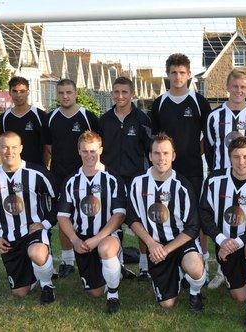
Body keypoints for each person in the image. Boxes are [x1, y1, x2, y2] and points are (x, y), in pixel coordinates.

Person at [150, 53, 213, 282]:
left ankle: (201, 260)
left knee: (196, 216)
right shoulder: (160, 103)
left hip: (193, 169)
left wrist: (197, 152)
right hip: (165, 172)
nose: (178, 77)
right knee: (168, 214)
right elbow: (156, 138)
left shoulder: (199, 101)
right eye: (173, 72)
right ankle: (173, 259)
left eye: (182, 73)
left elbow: (209, 134)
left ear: (189, 75)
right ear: (167, 75)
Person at [126, 133, 206, 311]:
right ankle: (177, 275)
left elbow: (193, 227)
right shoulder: (137, 183)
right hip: (155, 245)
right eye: (157, 153)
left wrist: (168, 249)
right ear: (150, 156)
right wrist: (151, 244)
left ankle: (195, 292)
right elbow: (132, 218)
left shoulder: (183, 185)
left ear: (173, 156)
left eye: (166, 153)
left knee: (194, 267)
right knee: (167, 304)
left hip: (180, 243)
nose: (161, 158)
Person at [200, 136, 246, 329]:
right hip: (225, 243)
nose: (241, 162)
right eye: (236, 157)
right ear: (229, 157)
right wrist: (222, 240)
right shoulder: (214, 180)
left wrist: (238, 242)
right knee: (239, 297)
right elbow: (205, 215)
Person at [0, 131, 58, 304]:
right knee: (19, 293)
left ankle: (47, 285)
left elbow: (58, 200)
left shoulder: (37, 173)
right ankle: (37, 273)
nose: (9, 151)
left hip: (33, 232)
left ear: (21, 148)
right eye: (5, 147)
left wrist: (45, 223)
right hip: (9, 239)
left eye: (14, 147)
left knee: (37, 253)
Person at [56, 131, 126, 314]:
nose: (89, 155)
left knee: (106, 249)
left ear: (101, 150)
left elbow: (119, 215)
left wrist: (98, 238)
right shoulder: (71, 181)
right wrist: (74, 240)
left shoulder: (113, 179)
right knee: (95, 292)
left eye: (93, 151)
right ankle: (111, 271)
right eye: (85, 151)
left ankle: (113, 295)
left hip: (107, 236)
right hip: (83, 241)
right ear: (78, 151)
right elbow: (63, 215)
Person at [46, 78, 100, 278]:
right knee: (64, 217)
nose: (65, 96)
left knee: (91, 213)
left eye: (69, 92)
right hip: (60, 176)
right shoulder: (51, 118)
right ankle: (68, 261)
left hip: (87, 177)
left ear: (75, 92)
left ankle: (94, 253)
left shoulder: (88, 117)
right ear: (57, 95)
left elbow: (96, 145)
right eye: (61, 93)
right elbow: (49, 147)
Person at [99, 76, 151, 280]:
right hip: (111, 181)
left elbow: (149, 151)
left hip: (135, 179)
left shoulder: (142, 119)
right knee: (112, 223)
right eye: (116, 92)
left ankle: (145, 267)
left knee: (140, 222)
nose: (120, 96)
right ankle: (117, 265)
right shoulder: (104, 120)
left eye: (124, 92)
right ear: (111, 93)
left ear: (132, 94)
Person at [204, 69, 246, 172]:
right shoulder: (213, 116)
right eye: (235, 86)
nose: (239, 90)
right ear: (228, 87)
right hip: (220, 176)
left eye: (243, 87)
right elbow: (209, 148)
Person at [0, 76, 50, 166]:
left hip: (36, 168)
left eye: (22, 91)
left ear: (28, 92)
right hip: (13, 169)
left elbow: (47, 146)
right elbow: (3, 146)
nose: (18, 95)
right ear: (10, 93)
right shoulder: (4, 118)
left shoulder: (40, 115)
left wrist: (43, 167)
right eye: (15, 91)